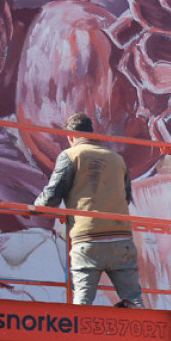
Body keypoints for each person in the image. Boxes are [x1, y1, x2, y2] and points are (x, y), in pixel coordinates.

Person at [34, 112, 144, 308]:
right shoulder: (117, 159)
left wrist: (35, 208)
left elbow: (52, 195)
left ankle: (79, 336)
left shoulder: (70, 155)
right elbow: (126, 197)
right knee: (134, 299)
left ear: (70, 136)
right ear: (92, 133)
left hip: (88, 240)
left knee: (83, 303)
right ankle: (142, 331)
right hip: (122, 240)